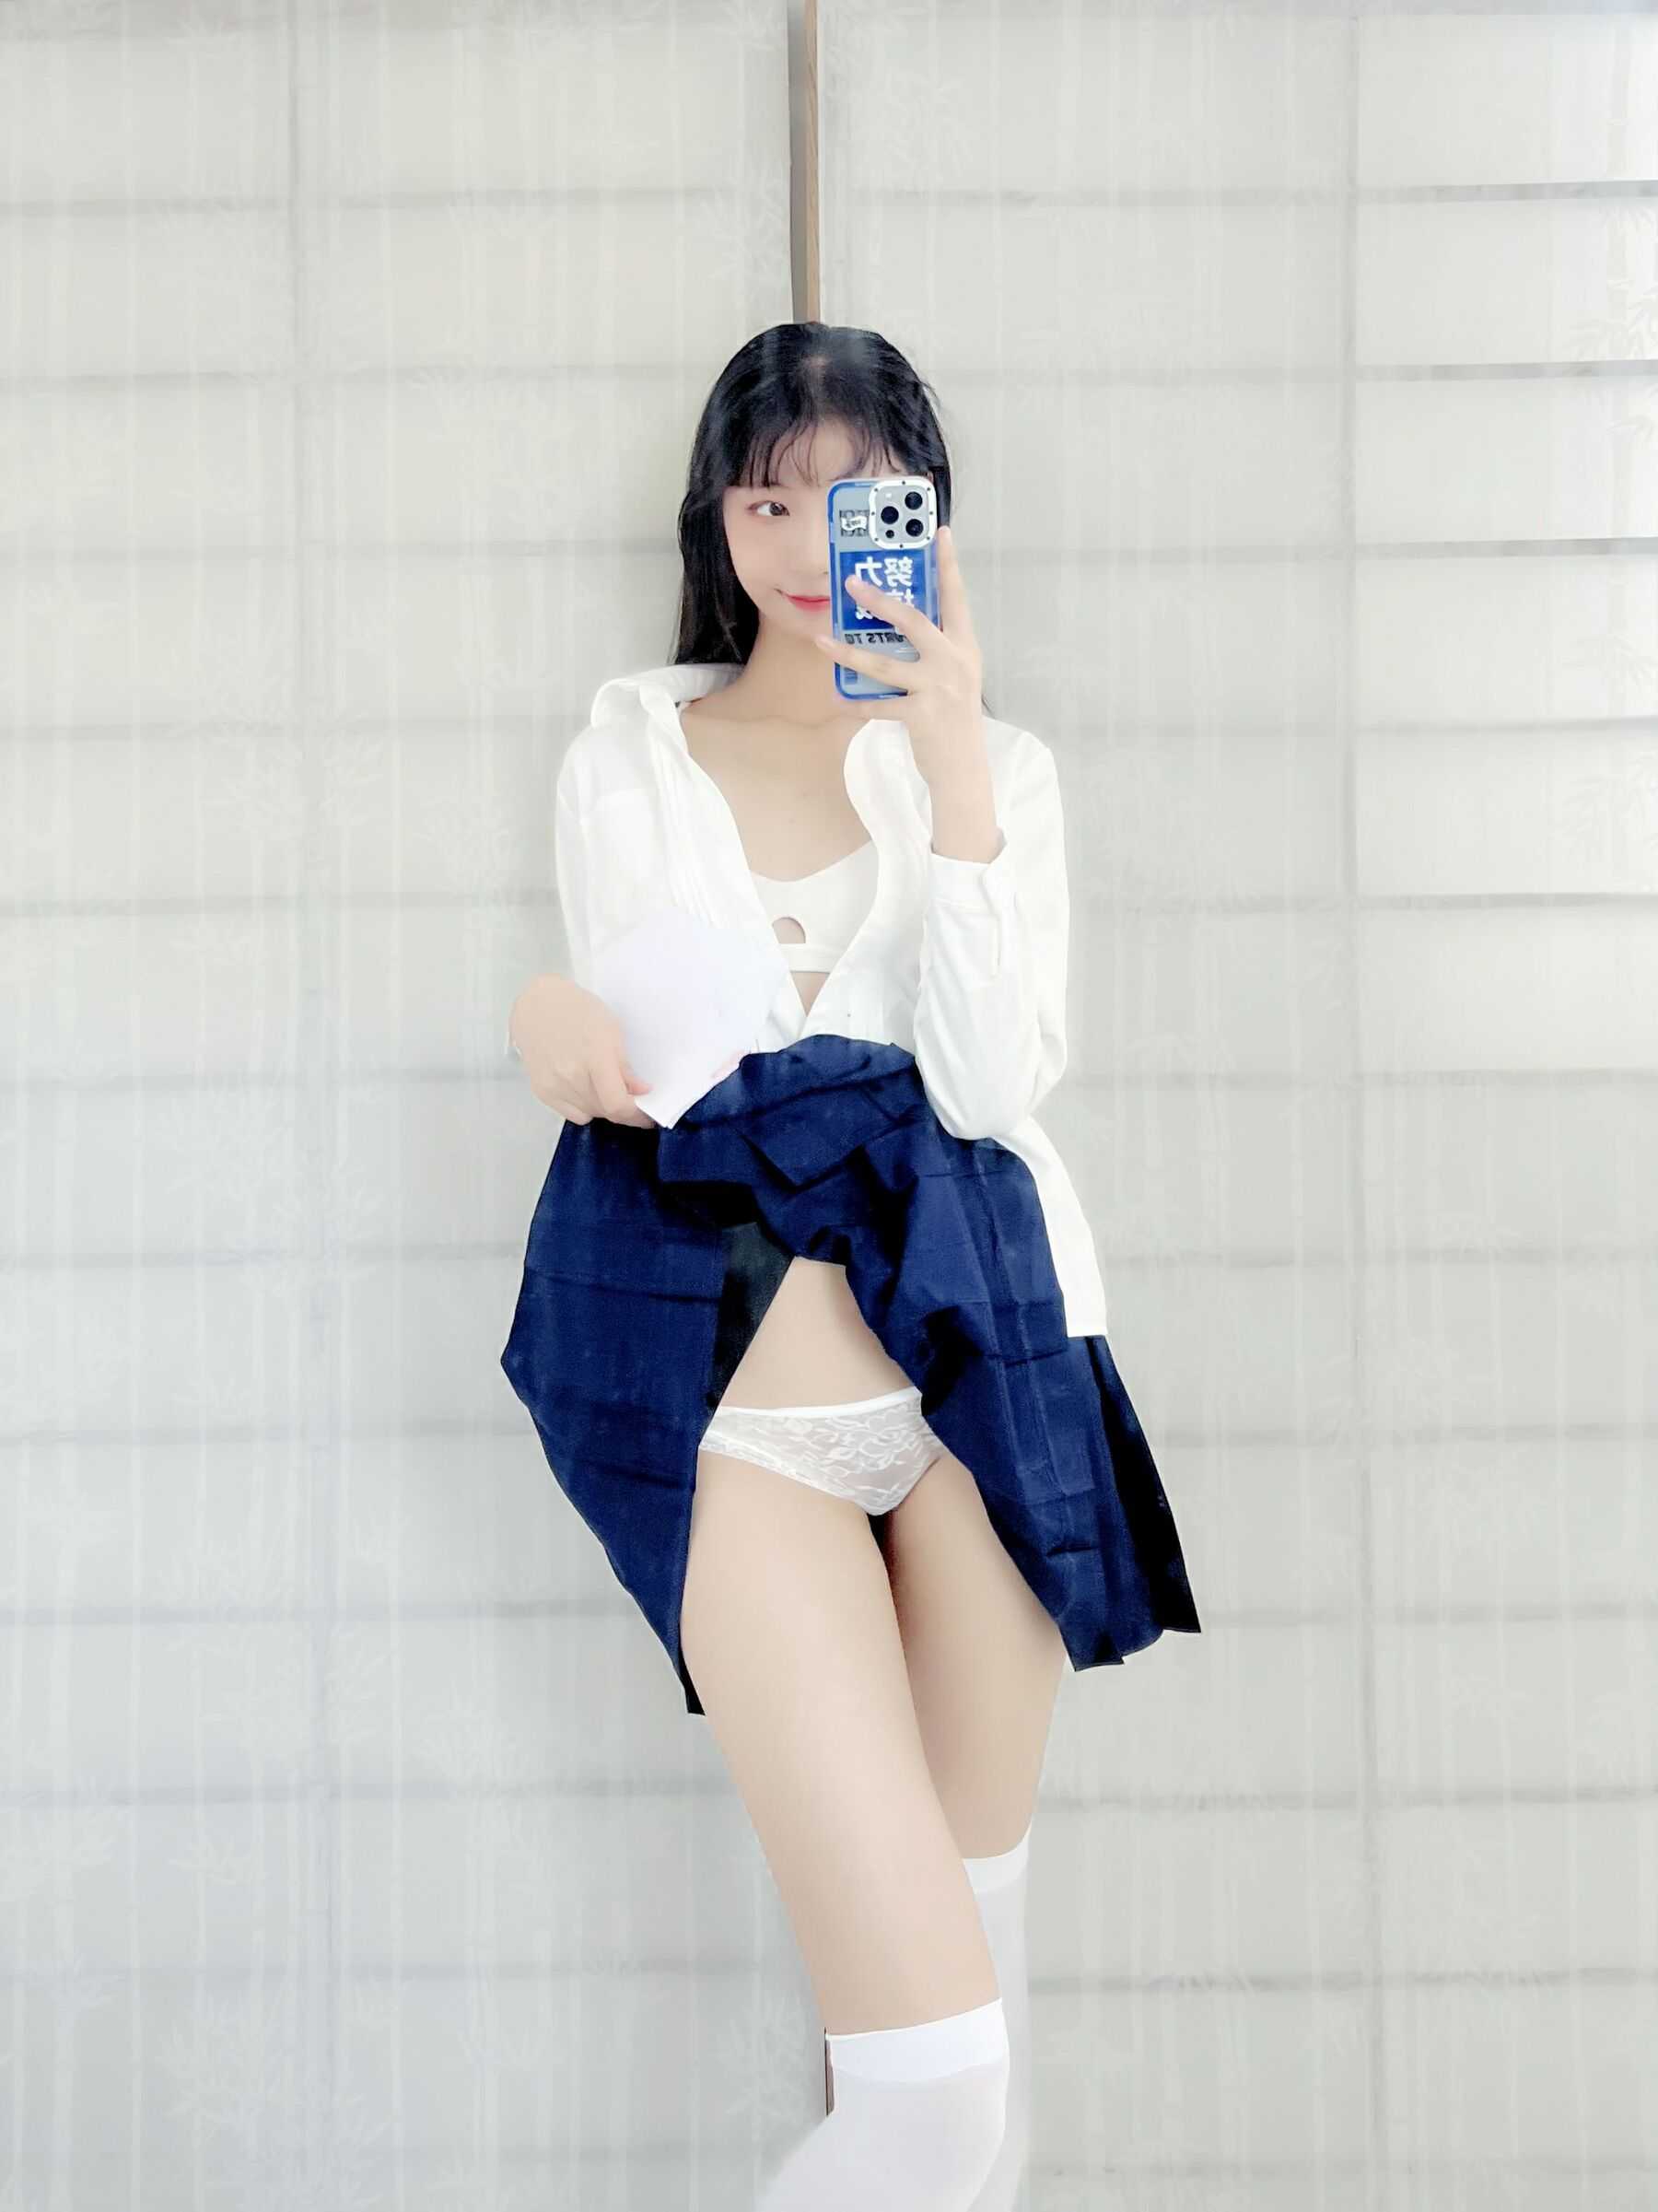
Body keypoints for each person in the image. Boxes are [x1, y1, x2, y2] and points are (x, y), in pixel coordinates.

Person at [504, 323, 1199, 2211]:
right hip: (751, 1427)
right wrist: (545, 1018)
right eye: (766, 502)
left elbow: (990, 1082)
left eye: (856, 503)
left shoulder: (1001, 768)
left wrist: (953, 756)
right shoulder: (635, 751)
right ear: (715, 523)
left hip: (988, 1383)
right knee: (929, 2088)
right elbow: (667, 1067)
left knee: (987, 2066)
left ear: (927, 519)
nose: (809, 547)